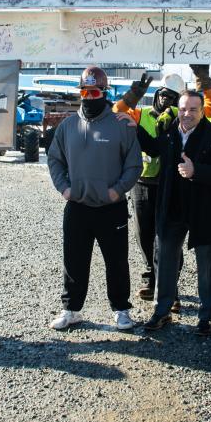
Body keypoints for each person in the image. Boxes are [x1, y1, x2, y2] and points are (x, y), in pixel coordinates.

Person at [114, 65, 211, 309]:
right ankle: (151, 278)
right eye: (163, 94)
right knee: (144, 236)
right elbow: (115, 112)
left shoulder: (182, 117)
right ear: (156, 95)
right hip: (142, 184)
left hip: (170, 184)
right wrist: (133, 95)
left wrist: (203, 80)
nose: (166, 100)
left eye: (172, 97)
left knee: (167, 240)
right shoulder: (141, 114)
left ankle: (170, 289)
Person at [46, 66, 142, 331]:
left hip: (112, 208)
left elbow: (134, 165)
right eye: (85, 92)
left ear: (104, 92)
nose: (89, 97)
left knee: (117, 261)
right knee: (74, 260)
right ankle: (71, 309)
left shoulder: (120, 124)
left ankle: (121, 309)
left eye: (95, 91)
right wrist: (64, 188)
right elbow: (55, 159)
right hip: (77, 207)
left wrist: (117, 190)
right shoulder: (67, 126)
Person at [134, 90, 211, 334]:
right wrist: (132, 125)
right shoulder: (169, 134)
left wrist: (195, 170)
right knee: (165, 259)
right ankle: (162, 311)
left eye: (193, 109)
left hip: (203, 210)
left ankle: (206, 317)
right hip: (172, 207)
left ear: (202, 111)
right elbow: (153, 149)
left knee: (207, 265)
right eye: (184, 109)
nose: (187, 114)